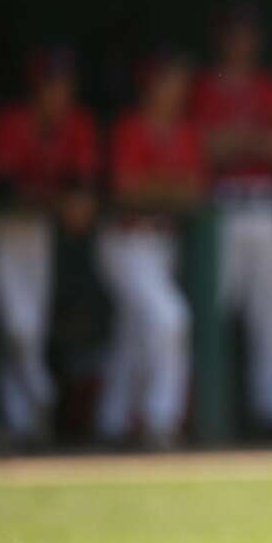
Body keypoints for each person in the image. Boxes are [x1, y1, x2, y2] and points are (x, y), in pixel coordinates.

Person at [191, 4, 272, 434]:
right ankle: (203, 408)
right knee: (213, 308)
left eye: (248, 32)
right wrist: (250, 141)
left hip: (263, 201)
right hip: (220, 207)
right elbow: (205, 147)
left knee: (271, 311)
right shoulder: (205, 86)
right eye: (235, 32)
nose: (242, 40)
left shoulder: (271, 86)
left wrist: (238, 141)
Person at [0, 47, 99, 443]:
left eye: (64, 83)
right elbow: (2, 189)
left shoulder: (76, 124)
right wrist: (58, 200)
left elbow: (81, 192)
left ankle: (24, 422)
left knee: (28, 330)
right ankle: (38, 400)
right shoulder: (12, 123)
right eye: (52, 83)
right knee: (14, 329)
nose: (60, 91)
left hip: (37, 235)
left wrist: (71, 201)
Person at [96, 50, 204, 449]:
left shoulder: (185, 131)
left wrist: (155, 187)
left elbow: (193, 192)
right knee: (168, 318)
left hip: (162, 244)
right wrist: (164, 189)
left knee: (132, 334)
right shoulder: (130, 128)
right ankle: (161, 420)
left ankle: (110, 421)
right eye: (167, 79)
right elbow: (127, 190)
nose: (175, 88)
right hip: (125, 242)